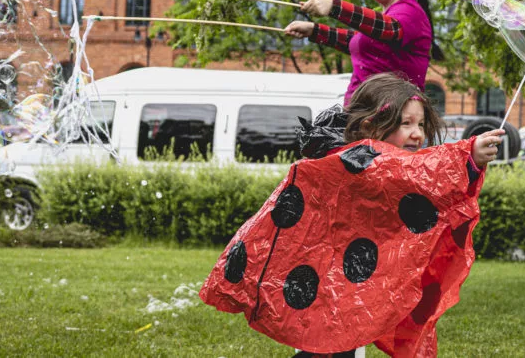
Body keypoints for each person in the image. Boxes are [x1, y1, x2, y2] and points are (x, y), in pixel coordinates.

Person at [200, 73, 504, 358]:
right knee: (330, 343)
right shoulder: (360, 158)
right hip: (326, 281)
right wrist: (467, 156)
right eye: (406, 124)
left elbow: (419, 185)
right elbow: (410, 172)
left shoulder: (371, 161)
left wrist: (469, 162)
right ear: (374, 125)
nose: (417, 134)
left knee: (336, 341)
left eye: (421, 124)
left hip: (339, 282)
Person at [284, 0, 441, 104]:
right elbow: (359, 42)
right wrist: (315, 30)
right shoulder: (388, 15)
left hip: (391, 119)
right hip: (365, 116)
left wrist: (334, 7)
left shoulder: (410, 11)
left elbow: (391, 29)